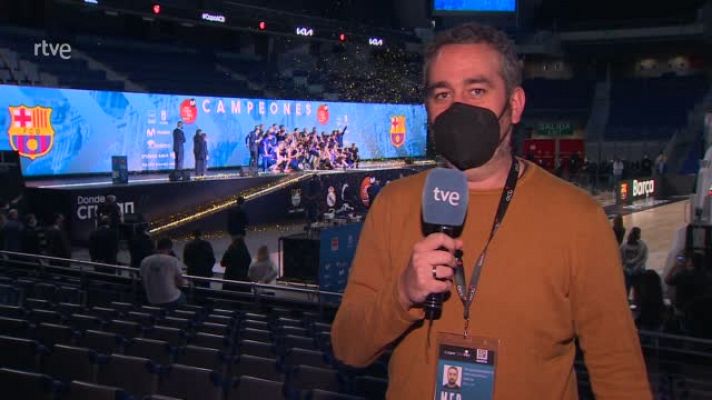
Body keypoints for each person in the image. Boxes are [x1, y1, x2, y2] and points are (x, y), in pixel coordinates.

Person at [331, 23, 650, 399]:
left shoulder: (578, 218)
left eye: (477, 90)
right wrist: (402, 294)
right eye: (442, 93)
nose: (458, 107)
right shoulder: (393, 204)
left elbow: (618, 370)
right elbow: (349, 348)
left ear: (514, 105)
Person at [139, 238, 186, 308]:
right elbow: (181, 283)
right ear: (170, 249)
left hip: (152, 299)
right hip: (170, 299)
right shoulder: (173, 261)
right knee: (183, 297)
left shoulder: (145, 261)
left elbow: (142, 281)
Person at [620, 227, 648, 292]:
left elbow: (643, 259)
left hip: (639, 271)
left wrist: (636, 268)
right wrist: (626, 269)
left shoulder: (643, 245)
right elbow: (621, 259)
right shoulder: (623, 246)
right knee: (626, 289)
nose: (631, 236)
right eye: (631, 234)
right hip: (626, 271)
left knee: (639, 290)